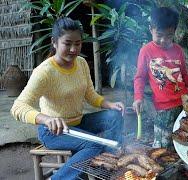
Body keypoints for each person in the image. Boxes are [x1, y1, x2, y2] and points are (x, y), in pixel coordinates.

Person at [11, 17, 124, 180]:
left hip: (79, 123)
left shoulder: (82, 63)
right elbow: (18, 107)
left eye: (77, 43)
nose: (73, 49)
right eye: (67, 43)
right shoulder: (44, 72)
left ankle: (108, 163)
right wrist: (46, 119)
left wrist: (109, 104)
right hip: (53, 132)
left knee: (114, 116)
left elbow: (90, 94)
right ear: (54, 42)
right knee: (93, 144)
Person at [132, 7, 188, 149]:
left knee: (184, 143)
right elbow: (140, 77)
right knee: (162, 147)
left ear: (175, 32)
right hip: (163, 109)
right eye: (159, 35)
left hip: (185, 105)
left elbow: (185, 78)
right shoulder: (146, 51)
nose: (164, 40)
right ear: (151, 29)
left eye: (169, 35)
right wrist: (138, 97)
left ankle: (181, 169)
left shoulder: (178, 50)